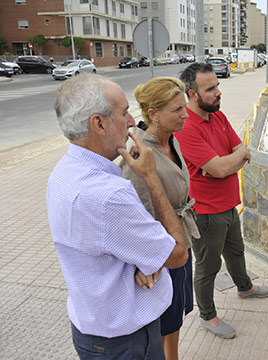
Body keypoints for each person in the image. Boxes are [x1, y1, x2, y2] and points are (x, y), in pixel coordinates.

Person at [47, 74, 189, 359]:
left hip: (93, 327)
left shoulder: (63, 172)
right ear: (99, 123)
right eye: (124, 113)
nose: (131, 122)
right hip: (127, 340)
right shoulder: (109, 195)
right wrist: (151, 177)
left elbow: (108, 243)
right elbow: (177, 254)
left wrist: (146, 259)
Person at [175, 63, 268, 339]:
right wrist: (229, 162)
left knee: (236, 251)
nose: (219, 92)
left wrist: (228, 161)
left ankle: (244, 287)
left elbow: (240, 148)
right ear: (192, 94)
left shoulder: (216, 117)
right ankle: (208, 315)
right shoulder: (186, 127)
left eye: (217, 85)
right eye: (211, 89)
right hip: (205, 213)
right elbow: (221, 167)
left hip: (228, 203)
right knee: (208, 266)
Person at [117, 77, 198, 360]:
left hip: (179, 244)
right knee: (163, 324)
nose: (185, 115)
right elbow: (136, 215)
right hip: (161, 254)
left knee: (174, 321)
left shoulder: (170, 141)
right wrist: (148, 263)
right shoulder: (141, 154)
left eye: (184, 108)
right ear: (153, 114)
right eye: (177, 109)